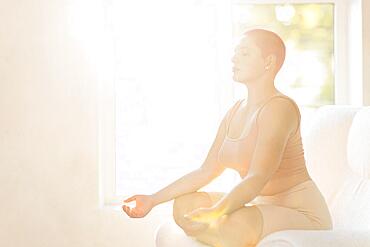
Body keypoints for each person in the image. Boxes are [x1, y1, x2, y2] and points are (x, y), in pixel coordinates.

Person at [122, 28, 333, 247]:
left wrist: (216, 212)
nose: (234, 58)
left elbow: (256, 178)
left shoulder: (279, 109)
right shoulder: (235, 111)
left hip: (299, 212)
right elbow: (206, 171)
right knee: (186, 204)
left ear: (268, 61)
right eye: (235, 52)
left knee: (232, 222)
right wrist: (153, 199)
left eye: (244, 53)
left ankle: (226, 232)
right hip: (259, 203)